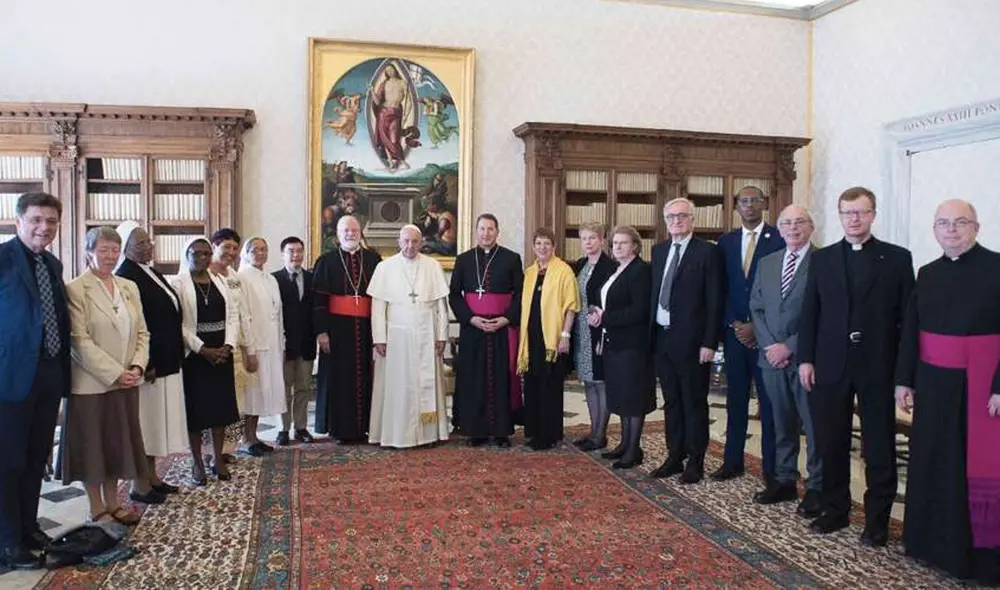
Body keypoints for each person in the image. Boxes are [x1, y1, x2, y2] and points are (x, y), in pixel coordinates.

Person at [798, 186, 914, 546]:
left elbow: (908, 321)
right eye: (847, 213)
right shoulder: (823, 259)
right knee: (831, 442)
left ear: (873, 215)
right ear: (840, 215)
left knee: (878, 446)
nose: (854, 219)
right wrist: (805, 358)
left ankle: (877, 521)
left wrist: (904, 376)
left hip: (878, 364)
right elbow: (810, 312)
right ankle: (835, 511)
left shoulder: (896, 258)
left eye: (861, 212)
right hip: (830, 363)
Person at [894, 199, 1000, 584]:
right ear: (934, 229)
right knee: (934, 461)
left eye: (959, 223)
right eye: (943, 223)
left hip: (982, 386)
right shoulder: (927, 272)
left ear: (976, 227)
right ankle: (929, 544)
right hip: (934, 383)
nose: (951, 230)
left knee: (974, 468)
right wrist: (904, 380)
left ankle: (979, 557)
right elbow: (912, 330)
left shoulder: (997, 268)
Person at [59, 226, 151, 525]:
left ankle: (114, 502)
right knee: (93, 446)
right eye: (103, 249)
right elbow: (78, 341)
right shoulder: (75, 288)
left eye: (114, 249)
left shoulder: (128, 287)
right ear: (89, 252)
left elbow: (142, 332)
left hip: (127, 381)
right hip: (91, 383)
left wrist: (136, 366)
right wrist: (115, 373)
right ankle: (96, 506)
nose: (110, 256)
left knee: (116, 444)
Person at [0, 193, 71, 570]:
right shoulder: (3, 258)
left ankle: (28, 528)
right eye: (36, 220)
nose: (44, 227)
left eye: (51, 221)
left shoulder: (53, 264)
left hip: (48, 374)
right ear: (18, 221)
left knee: (34, 459)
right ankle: (7, 542)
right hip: (9, 378)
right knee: (7, 462)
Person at [748, 205, 822, 517]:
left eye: (800, 222)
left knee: (814, 425)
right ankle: (784, 479)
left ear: (811, 226)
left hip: (807, 358)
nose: (793, 228)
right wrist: (770, 346)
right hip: (770, 358)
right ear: (779, 229)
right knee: (780, 421)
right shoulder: (767, 262)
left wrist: (789, 347)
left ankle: (817, 486)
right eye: (787, 223)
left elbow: (825, 314)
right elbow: (757, 307)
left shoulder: (824, 261)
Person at [649, 198, 723, 484]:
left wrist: (710, 342)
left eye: (682, 216)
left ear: (692, 219)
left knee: (694, 401)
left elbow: (714, 300)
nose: (676, 221)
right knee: (671, 401)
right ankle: (674, 455)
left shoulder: (707, 252)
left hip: (693, 342)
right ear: (665, 220)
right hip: (662, 338)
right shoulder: (659, 251)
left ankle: (696, 460)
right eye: (671, 217)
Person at [715, 186, 784, 482]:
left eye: (756, 200)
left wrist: (758, 327)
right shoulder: (726, 242)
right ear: (736, 206)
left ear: (764, 204)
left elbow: (784, 290)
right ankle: (732, 461)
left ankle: (771, 469)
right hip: (735, 335)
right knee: (736, 400)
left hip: (768, 336)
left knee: (769, 404)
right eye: (744, 201)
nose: (750, 206)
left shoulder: (780, 239)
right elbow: (722, 288)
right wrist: (734, 324)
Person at [114, 221, 185, 497]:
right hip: (149, 366)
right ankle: (139, 485)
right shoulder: (126, 276)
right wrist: (148, 362)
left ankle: (152, 476)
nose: (148, 247)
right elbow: (136, 327)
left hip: (166, 361)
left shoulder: (148, 271)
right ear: (126, 248)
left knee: (156, 425)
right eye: (141, 243)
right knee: (144, 424)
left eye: (148, 242)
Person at [367, 225, 451, 448]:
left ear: (421, 242)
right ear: (399, 241)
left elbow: (442, 307)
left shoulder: (432, 266)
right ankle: (395, 434)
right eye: (406, 241)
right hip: (396, 338)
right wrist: (379, 339)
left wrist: (442, 335)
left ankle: (429, 433)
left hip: (427, 333)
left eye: (415, 242)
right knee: (398, 386)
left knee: (426, 383)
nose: (410, 246)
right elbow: (377, 308)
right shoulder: (385, 268)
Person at [449, 213, 524, 447]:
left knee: (502, 377)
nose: (486, 233)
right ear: (476, 231)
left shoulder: (511, 259)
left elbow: (521, 294)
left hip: (502, 329)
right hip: (473, 329)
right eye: (482, 229)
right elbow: (454, 295)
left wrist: (506, 318)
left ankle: (501, 430)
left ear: (497, 232)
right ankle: (476, 429)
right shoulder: (463, 260)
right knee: (474, 377)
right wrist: (471, 319)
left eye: (490, 229)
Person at [172, 237, 240, 485]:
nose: (202, 257)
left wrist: (228, 345)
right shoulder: (177, 284)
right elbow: (177, 325)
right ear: (187, 254)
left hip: (222, 353)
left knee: (220, 411)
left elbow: (233, 316)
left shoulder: (220, 281)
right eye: (197, 253)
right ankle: (198, 462)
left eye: (206, 253)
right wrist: (203, 349)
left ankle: (218, 459)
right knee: (197, 412)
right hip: (196, 356)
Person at [312, 215, 382, 443]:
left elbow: (381, 299)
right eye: (346, 230)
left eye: (354, 230)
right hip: (337, 329)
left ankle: (367, 427)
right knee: (339, 379)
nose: (350, 234)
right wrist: (322, 332)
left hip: (367, 328)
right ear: (338, 234)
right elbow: (319, 301)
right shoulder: (326, 261)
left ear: (360, 232)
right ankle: (341, 429)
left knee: (367, 377)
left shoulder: (374, 260)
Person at [588, 226, 654, 468]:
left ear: (635, 246)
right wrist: (596, 314)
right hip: (614, 342)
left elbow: (639, 310)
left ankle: (633, 450)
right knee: (623, 396)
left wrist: (606, 318)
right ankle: (625, 445)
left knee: (634, 397)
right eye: (615, 243)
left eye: (623, 243)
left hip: (633, 345)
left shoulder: (640, 271)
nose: (617, 247)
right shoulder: (617, 270)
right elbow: (607, 304)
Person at [517, 228, 581, 451]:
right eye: (538, 244)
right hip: (531, 337)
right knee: (532, 384)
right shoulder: (530, 272)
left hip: (552, 339)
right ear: (533, 247)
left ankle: (549, 434)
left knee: (550, 386)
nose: (542, 248)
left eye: (546, 244)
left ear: (554, 246)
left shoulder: (564, 271)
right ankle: (533, 430)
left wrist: (565, 335)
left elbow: (571, 306)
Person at [208, 228, 258, 460]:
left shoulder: (235, 277)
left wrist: (250, 349)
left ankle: (227, 449)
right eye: (226, 246)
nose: (231, 252)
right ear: (214, 246)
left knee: (236, 404)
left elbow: (244, 314)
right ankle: (209, 452)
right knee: (212, 402)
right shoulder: (203, 274)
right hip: (212, 350)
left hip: (237, 349)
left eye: (235, 248)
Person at [237, 237, 287, 455]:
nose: (260, 253)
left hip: (271, 344)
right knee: (250, 395)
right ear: (246, 253)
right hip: (254, 346)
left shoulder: (270, 278)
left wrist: (281, 343)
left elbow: (278, 314)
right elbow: (244, 315)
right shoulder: (242, 277)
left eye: (264, 249)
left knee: (262, 394)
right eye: (255, 249)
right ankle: (245, 439)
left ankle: (254, 436)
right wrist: (250, 349)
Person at [569, 222, 616, 451]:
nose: (587, 243)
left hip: (599, 330)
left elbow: (614, 298)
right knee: (588, 380)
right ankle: (593, 429)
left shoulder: (610, 266)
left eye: (592, 238)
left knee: (601, 381)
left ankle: (601, 433)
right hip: (581, 330)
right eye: (584, 238)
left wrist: (602, 314)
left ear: (602, 240)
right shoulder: (580, 265)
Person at [272, 236, 316, 446]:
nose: (296, 255)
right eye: (291, 251)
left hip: (306, 343)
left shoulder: (312, 278)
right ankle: (283, 428)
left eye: (299, 251)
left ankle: (301, 427)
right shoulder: (274, 280)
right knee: (283, 388)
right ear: (283, 254)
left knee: (303, 388)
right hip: (283, 344)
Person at [370, 63, 415, 171]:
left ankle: (401, 160)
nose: (390, 72)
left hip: (395, 113)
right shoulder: (384, 84)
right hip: (383, 113)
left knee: (394, 139)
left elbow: (408, 101)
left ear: (395, 70)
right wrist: (372, 90)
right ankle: (390, 161)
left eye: (391, 69)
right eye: (388, 71)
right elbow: (377, 101)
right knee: (385, 139)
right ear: (386, 73)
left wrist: (406, 115)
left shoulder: (403, 83)